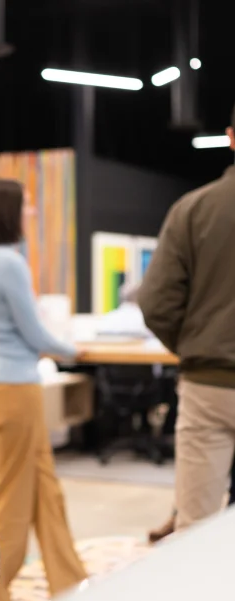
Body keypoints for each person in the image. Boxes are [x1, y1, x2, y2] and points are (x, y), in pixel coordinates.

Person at [0, 180, 87, 601]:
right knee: (12, 498)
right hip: (17, 388)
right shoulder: (7, 262)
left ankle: (69, 583)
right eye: (26, 207)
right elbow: (33, 331)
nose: (30, 214)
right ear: (8, 213)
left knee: (45, 492)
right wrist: (74, 351)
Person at [139, 104, 235, 533]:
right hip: (207, 377)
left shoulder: (192, 209)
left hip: (209, 388)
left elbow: (155, 303)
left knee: (196, 533)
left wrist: (200, 343)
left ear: (231, 138)